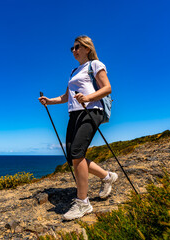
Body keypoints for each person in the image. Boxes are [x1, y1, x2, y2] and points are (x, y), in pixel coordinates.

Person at [38, 35, 118, 220]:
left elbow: (107, 88)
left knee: (77, 153)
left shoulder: (95, 65)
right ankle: (107, 177)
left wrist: (88, 98)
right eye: (72, 48)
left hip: (91, 110)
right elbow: (67, 97)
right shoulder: (74, 70)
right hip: (74, 113)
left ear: (87, 48)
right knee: (73, 156)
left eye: (77, 47)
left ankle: (83, 203)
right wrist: (49, 101)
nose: (73, 50)